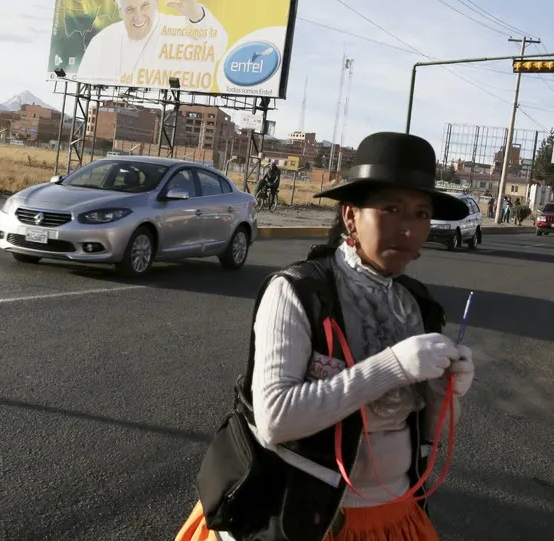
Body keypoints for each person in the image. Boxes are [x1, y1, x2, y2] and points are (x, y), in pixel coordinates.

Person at [177, 132, 476, 541]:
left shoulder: (418, 306)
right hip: (299, 518)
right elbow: (275, 419)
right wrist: (393, 366)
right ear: (351, 215)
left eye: (422, 214)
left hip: (395, 518)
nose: (409, 229)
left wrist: (448, 393)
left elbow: (427, 433)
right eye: (391, 209)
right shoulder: (298, 292)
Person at [74, 0, 228, 86]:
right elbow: (83, 84)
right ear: (119, 8)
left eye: (145, 6)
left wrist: (196, 15)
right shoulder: (102, 42)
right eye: (130, 9)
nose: (138, 17)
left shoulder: (179, 27)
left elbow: (218, 46)